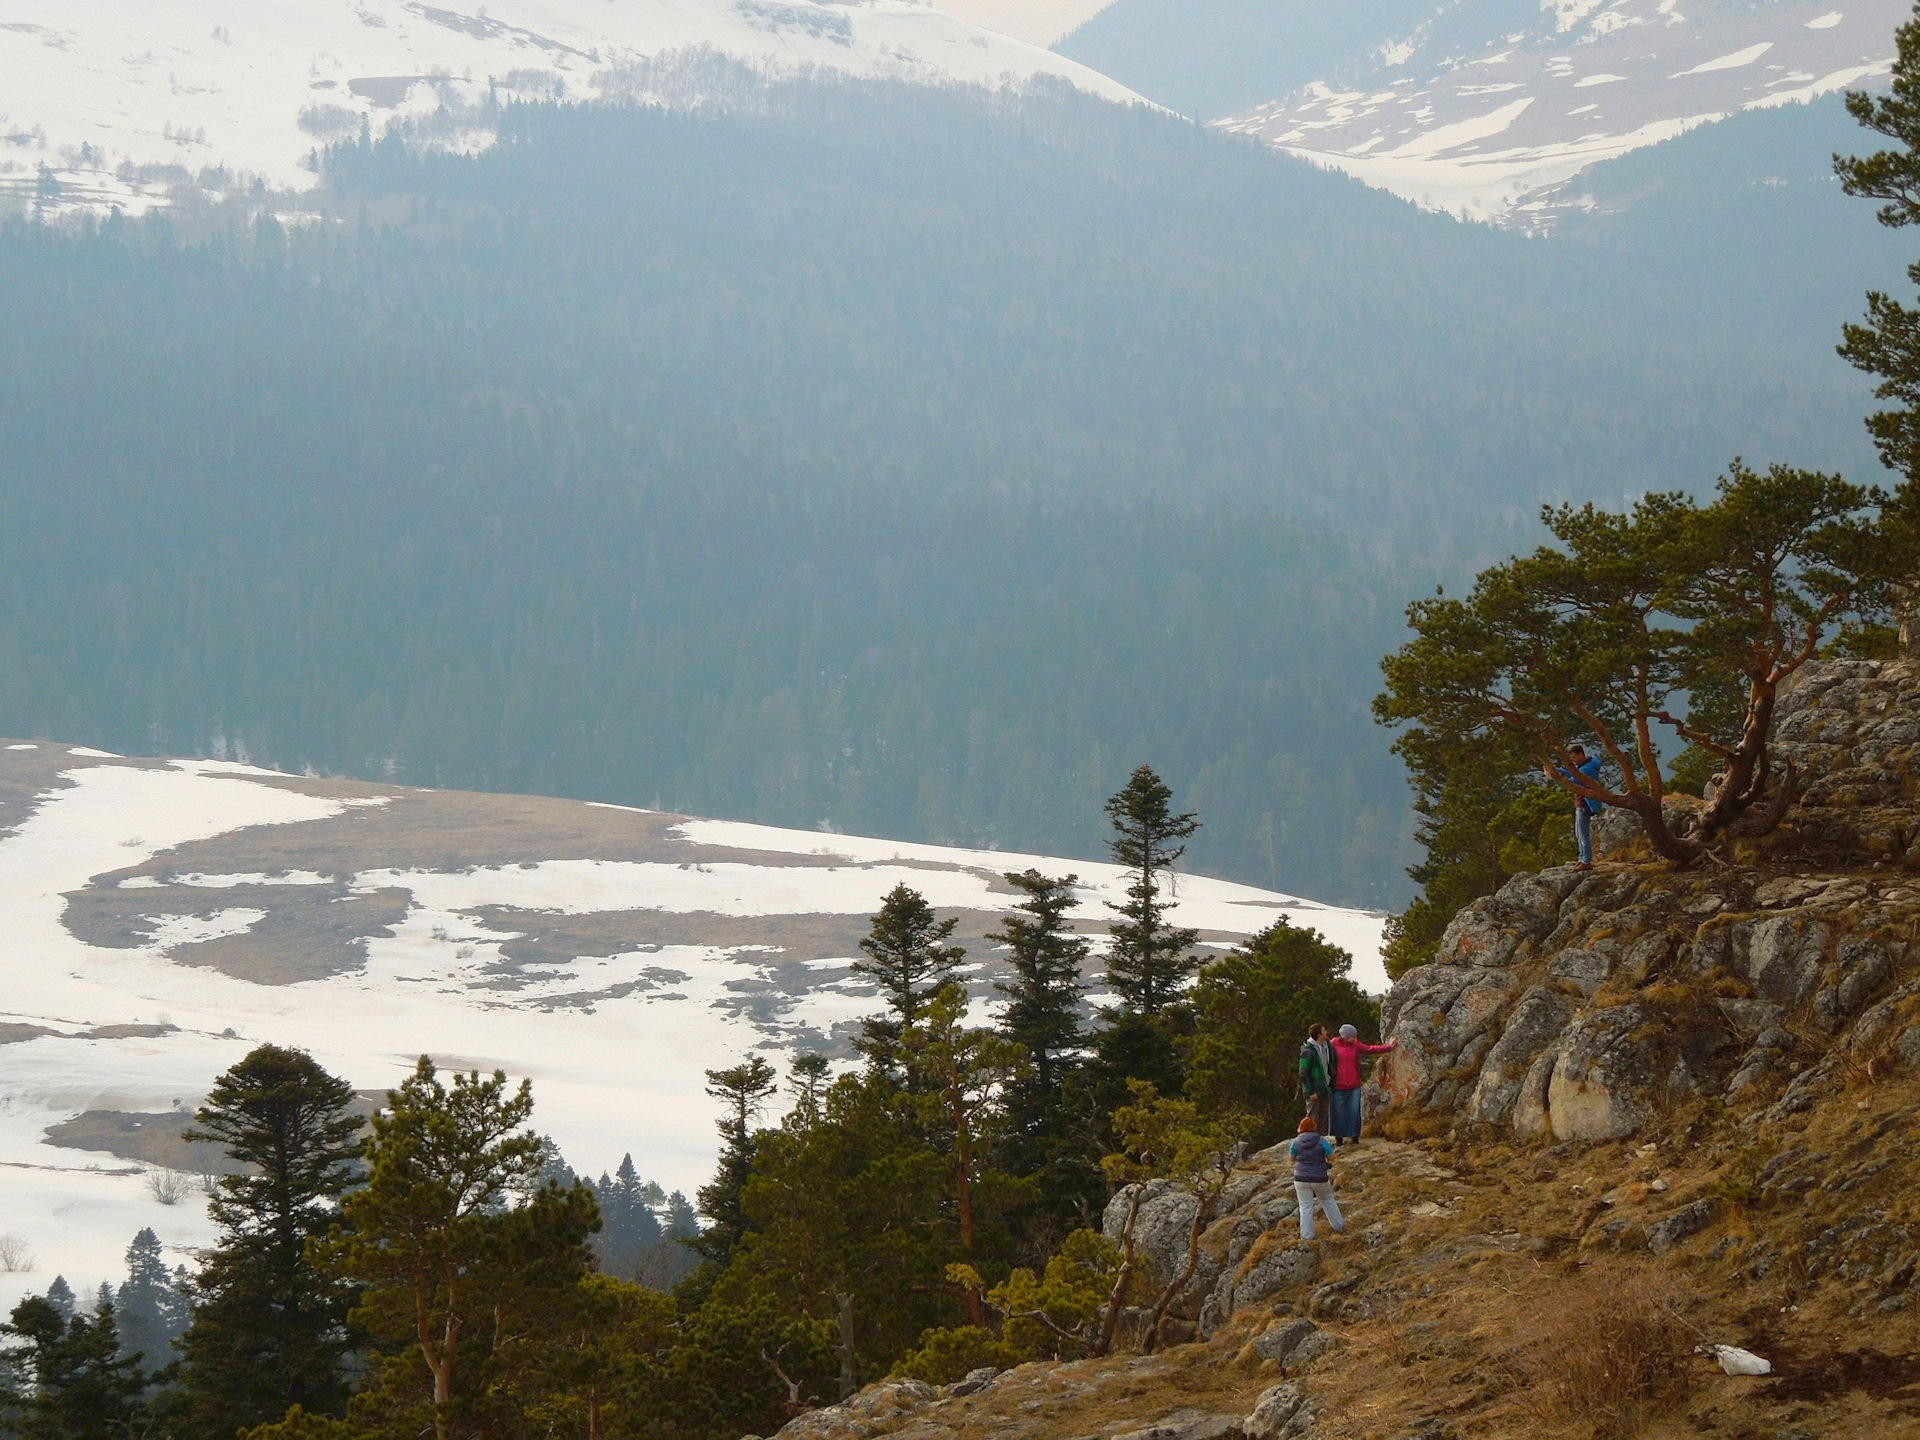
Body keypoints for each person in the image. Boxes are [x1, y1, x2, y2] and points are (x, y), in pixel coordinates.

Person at [1328, 1023, 1394, 1145]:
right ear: (1345, 1036)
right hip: (1338, 1085)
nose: (1354, 1039)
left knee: (1354, 1111)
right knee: (1338, 1112)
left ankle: (1355, 1136)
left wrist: (1388, 1047)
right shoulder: (1332, 1045)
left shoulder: (1355, 1045)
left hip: (1354, 1084)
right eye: (1352, 1036)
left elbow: (1370, 1049)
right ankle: (1339, 1138)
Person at [1544, 743, 1605, 871]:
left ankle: (1586, 861)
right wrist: (1557, 770)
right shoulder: (1586, 765)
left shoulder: (1586, 770)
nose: (1573, 761)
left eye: (1574, 757)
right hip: (1582, 803)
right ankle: (1582, 858)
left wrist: (1554, 777)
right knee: (1579, 833)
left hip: (1585, 804)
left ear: (1581, 755)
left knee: (1583, 834)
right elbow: (1572, 774)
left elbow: (1571, 782)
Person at [1289, 1114, 1343, 1242]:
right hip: (1319, 1177)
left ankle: (1307, 1236)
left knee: (1305, 1206)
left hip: (1301, 1178)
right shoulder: (1321, 1141)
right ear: (1314, 1128)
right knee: (1328, 1200)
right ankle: (1338, 1226)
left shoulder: (1295, 1142)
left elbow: (1291, 1158)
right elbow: (1332, 1157)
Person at [1297, 1023, 1333, 1134]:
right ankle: (1307, 1140)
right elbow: (1303, 1073)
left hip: (1325, 1088)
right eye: (1324, 1030)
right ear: (1319, 1034)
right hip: (1314, 1089)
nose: (1326, 1032)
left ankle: (1321, 1140)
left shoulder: (1327, 1047)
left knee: (1324, 1116)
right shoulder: (1308, 1051)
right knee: (1311, 1117)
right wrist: (1311, 1091)